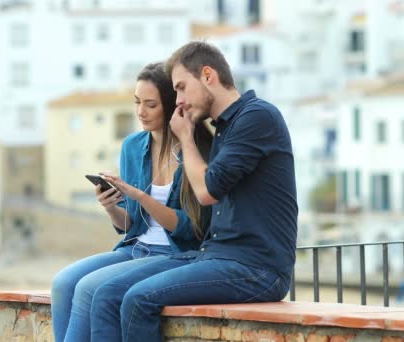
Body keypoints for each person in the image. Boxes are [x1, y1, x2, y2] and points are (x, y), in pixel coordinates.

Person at [89, 41, 298, 341]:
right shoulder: (226, 128)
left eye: (182, 88)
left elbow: (206, 192)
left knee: (137, 300)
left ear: (208, 76)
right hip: (214, 256)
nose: (180, 101)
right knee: (108, 293)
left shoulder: (257, 117)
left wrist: (185, 137)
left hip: (257, 268)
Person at [51, 62, 213, 342]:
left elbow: (191, 229)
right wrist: (111, 206)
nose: (140, 112)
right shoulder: (132, 146)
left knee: (90, 288)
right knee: (63, 283)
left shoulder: (195, 151)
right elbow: (129, 224)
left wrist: (141, 196)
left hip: (176, 254)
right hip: (135, 249)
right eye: (137, 102)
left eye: (151, 104)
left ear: (172, 105)